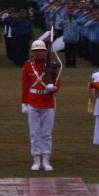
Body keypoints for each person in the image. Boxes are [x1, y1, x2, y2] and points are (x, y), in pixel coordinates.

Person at [21, 40, 59, 171]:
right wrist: (24, 103)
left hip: (48, 101)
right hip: (33, 101)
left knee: (46, 133)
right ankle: (36, 159)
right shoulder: (28, 66)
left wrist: (53, 87)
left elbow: (57, 81)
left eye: (41, 51)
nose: (38, 54)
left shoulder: (52, 65)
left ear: (45, 52)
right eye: (35, 51)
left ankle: (46, 159)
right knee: (34, 132)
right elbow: (25, 85)